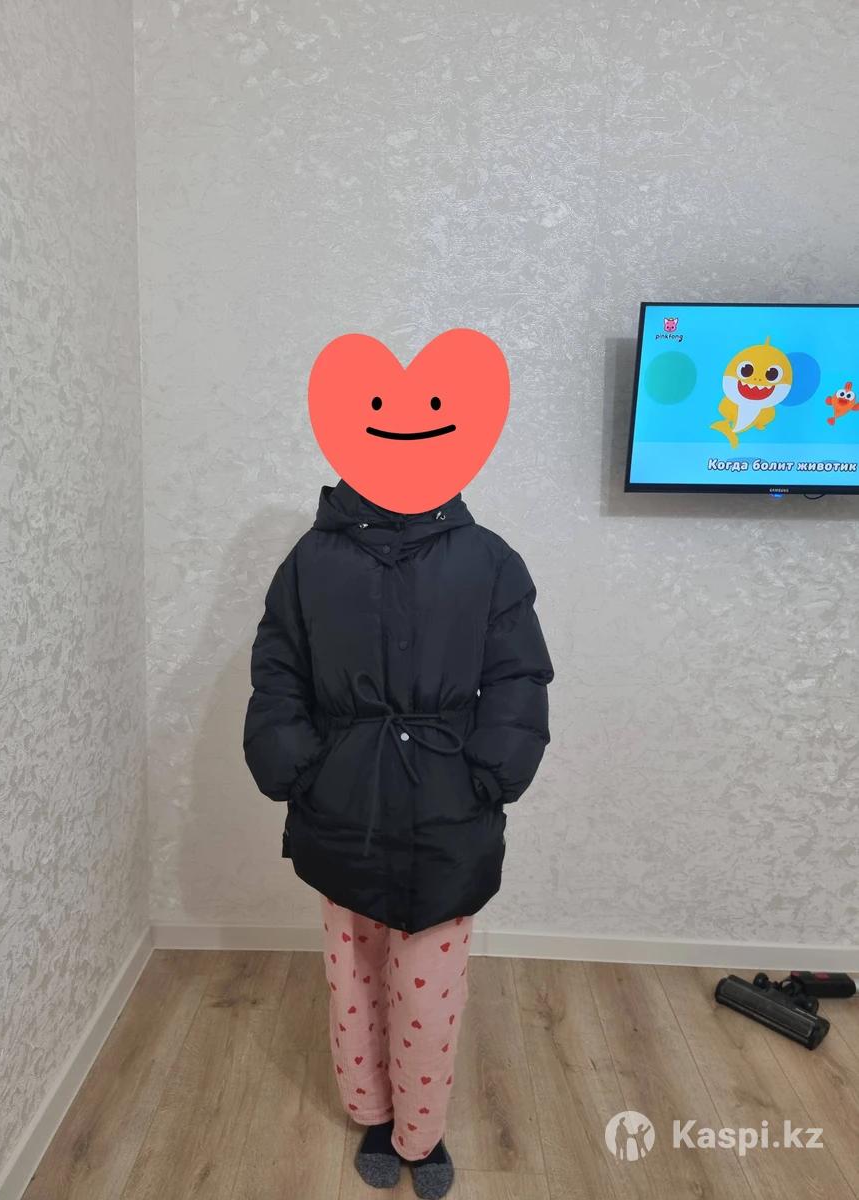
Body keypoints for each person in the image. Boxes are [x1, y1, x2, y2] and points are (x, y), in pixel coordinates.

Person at [243, 476, 553, 1198]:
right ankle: (374, 1115)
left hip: (446, 809)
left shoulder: (488, 558)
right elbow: (279, 668)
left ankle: (422, 1128)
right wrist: (300, 768)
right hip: (344, 804)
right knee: (352, 977)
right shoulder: (311, 559)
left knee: (429, 990)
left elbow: (517, 675)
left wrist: (490, 774)